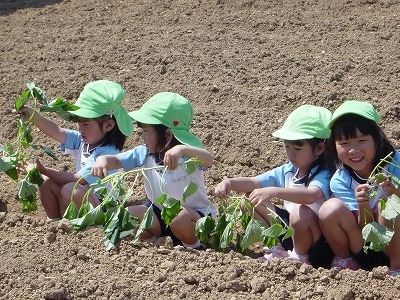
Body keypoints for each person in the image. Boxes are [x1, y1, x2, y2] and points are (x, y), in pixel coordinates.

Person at [91, 92, 216, 250]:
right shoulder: (145, 153)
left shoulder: (187, 157)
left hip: (194, 219)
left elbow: (209, 159)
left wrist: (181, 149)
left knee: (179, 217)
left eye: (146, 131)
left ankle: (195, 246)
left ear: (167, 134)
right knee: (128, 214)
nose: (141, 136)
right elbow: (116, 160)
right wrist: (103, 161)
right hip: (160, 215)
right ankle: (158, 242)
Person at [213, 105, 333, 266]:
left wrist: (275, 191)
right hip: (292, 231)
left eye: (297, 148)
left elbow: (312, 195)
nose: (291, 154)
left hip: (317, 242)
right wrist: (230, 182)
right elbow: (255, 182)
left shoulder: (324, 172)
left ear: (319, 148)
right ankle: (276, 247)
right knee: (249, 200)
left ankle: (299, 258)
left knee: (300, 210)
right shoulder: (289, 170)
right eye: (287, 147)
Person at [17, 80, 133, 220]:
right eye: (79, 122)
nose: (80, 128)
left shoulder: (108, 155)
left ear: (108, 125)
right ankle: (57, 224)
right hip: (82, 202)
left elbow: (77, 179)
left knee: (70, 188)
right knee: (45, 182)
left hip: (103, 210)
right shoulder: (83, 141)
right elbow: (57, 131)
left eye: (86, 124)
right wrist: (32, 115)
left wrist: (43, 170)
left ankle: (88, 228)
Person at [318, 100, 400, 274]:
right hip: (366, 247)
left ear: (377, 139)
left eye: (362, 140)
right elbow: (364, 228)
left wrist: (395, 190)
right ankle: (346, 262)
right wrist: (362, 205)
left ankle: (396, 268)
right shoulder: (340, 180)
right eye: (344, 144)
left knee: (388, 203)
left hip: (397, 245)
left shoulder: (395, 164)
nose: (353, 151)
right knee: (329, 209)